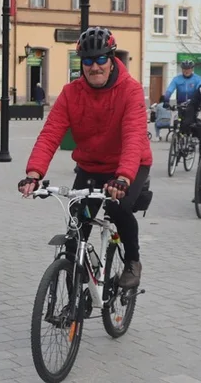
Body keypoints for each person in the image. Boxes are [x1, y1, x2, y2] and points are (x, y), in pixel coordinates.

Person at [18, 26, 152, 290]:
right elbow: (50, 134)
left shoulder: (130, 90)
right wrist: (34, 173)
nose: (95, 66)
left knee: (118, 208)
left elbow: (134, 135)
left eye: (101, 59)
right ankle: (74, 299)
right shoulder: (71, 93)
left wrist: (123, 177)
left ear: (112, 59)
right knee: (77, 227)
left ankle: (133, 262)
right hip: (91, 167)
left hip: (129, 166)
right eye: (88, 61)